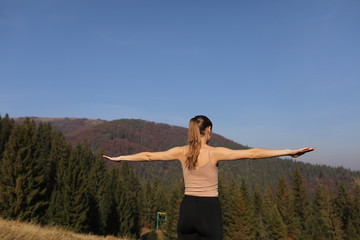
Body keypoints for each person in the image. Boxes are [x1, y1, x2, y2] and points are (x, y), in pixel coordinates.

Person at [103, 115, 315, 240]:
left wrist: (120, 157)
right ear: (208, 130)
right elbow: (252, 153)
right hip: (208, 210)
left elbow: (148, 156)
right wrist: (289, 151)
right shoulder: (215, 153)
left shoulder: (180, 151)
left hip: (187, 210)